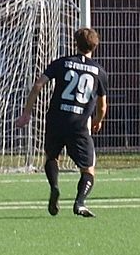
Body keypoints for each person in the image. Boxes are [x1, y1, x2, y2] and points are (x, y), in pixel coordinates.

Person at [14, 27, 109, 217]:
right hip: (79, 126)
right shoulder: (99, 72)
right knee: (88, 169)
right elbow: (103, 106)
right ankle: (80, 202)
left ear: (75, 43)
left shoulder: (62, 63)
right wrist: (98, 120)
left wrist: (26, 113)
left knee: (51, 157)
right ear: (95, 46)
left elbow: (38, 85)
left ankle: (55, 187)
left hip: (56, 120)